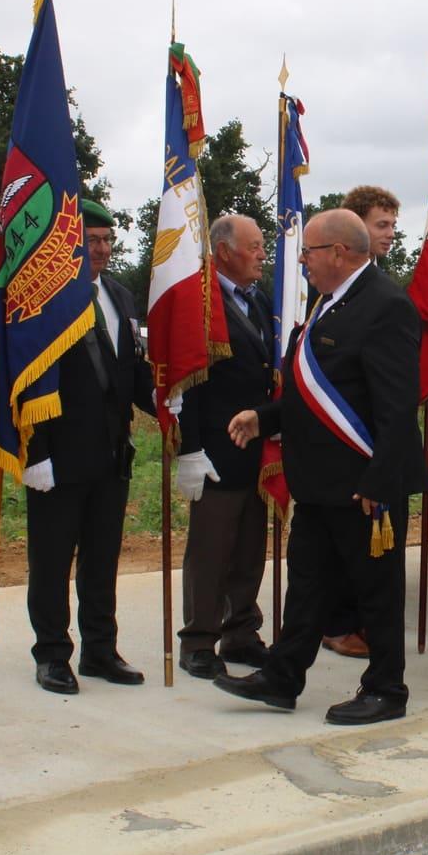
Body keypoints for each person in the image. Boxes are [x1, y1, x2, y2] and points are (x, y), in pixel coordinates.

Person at [215, 209, 426, 725]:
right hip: (318, 482)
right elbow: (314, 393)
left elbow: (397, 406)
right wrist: (263, 418)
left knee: (375, 590)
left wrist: (379, 479)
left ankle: (386, 689)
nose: (301, 261)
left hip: (363, 484)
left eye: (308, 251)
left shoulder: (387, 305)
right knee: (306, 585)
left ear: (338, 252)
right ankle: (282, 678)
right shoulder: (329, 303)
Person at [22, 199, 156, 695]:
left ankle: (101, 649)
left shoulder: (119, 295)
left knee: (102, 559)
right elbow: (28, 380)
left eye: (105, 241)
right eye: (89, 241)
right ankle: (53, 653)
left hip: (110, 452)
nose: (99, 250)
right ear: (70, 245)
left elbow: (129, 371)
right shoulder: (46, 300)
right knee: (52, 560)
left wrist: (163, 401)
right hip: (57, 454)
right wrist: (34, 453)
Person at [173, 215, 276, 678]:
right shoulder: (201, 303)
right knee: (211, 550)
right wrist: (189, 449)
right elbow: (188, 384)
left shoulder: (260, 301)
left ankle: (241, 632)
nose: (261, 255)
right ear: (223, 252)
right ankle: (198, 640)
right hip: (215, 450)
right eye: (253, 247)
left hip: (257, 450)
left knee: (250, 547)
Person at [316, 184, 405, 659]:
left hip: (370, 448)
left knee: (370, 566)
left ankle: (365, 641)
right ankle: (337, 624)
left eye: (393, 225)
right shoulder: (333, 293)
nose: (390, 234)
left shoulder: (382, 293)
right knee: (334, 560)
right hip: (340, 450)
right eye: (381, 225)